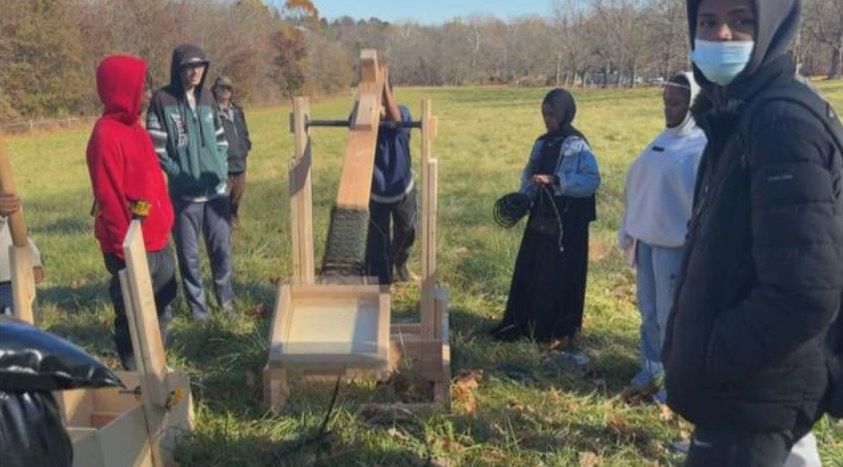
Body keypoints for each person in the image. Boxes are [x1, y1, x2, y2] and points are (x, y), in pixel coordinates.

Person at [663, 0, 843, 465]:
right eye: (708, 20)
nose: (721, 34)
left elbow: (805, 293)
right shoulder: (740, 114)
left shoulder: (780, 124)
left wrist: (710, 355)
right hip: (754, 399)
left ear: (773, 27)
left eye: (742, 20)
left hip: (752, 402)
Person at [618, 72, 706, 404]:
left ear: (692, 104)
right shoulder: (662, 139)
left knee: (671, 317)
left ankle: (675, 381)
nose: (668, 109)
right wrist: (629, 226)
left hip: (675, 245)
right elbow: (639, 184)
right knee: (648, 313)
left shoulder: (700, 145)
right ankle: (651, 367)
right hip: (647, 240)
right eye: (665, 102)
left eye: (676, 103)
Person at [86, 55, 177, 370]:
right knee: (133, 314)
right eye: (142, 88)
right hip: (131, 245)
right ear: (122, 90)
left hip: (158, 238)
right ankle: (137, 378)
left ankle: (157, 366)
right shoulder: (105, 136)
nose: (149, 95)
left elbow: (150, 181)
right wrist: (127, 252)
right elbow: (110, 200)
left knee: (163, 306)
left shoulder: (136, 128)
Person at [490, 88, 600, 344]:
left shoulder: (577, 144)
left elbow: (591, 180)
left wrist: (557, 180)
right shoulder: (542, 142)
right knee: (532, 270)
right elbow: (530, 175)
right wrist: (524, 197)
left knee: (556, 275)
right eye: (544, 114)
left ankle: (552, 330)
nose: (547, 119)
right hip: (540, 217)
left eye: (551, 114)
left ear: (564, 113)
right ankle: (522, 324)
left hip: (567, 223)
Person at [147, 44, 234, 321]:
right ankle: (199, 310)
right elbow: (156, 146)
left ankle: (226, 302)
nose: (195, 71)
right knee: (190, 257)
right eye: (188, 66)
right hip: (185, 197)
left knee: (221, 251)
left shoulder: (208, 97)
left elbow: (221, 137)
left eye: (200, 66)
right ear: (178, 68)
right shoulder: (162, 100)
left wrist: (221, 168)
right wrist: (178, 173)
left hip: (216, 192)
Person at [364, 69, 417, 284]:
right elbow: (354, 123)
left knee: (407, 231)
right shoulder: (362, 117)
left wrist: (383, 84)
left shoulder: (403, 113)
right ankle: (382, 280)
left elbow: (397, 121)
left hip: (403, 187)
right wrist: (370, 113)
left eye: (384, 97)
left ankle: (399, 262)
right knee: (378, 240)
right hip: (376, 191)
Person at [212, 75, 251, 222]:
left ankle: (234, 222)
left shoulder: (237, 111)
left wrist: (246, 147)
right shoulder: (211, 112)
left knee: (237, 197)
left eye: (228, 88)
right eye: (222, 88)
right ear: (215, 90)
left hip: (240, 162)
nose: (226, 91)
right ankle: (224, 226)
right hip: (222, 164)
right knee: (223, 200)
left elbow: (244, 132)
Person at [0, 193, 43, 314]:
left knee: (22, 324)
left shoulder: (4, 184)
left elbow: (16, 229)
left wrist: (34, 259)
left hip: (14, 277)